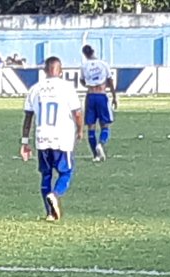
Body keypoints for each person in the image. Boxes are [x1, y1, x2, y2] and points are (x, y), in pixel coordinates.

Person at [21, 56, 83, 222]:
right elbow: (77, 112)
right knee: (66, 172)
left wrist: (24, 142)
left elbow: (28, 117)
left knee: (46, 175)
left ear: (44, 71)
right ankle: (55, 195)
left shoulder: (35, 89)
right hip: (62, 138)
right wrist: (80, 130)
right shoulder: (67, 88)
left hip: (42, 138)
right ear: (60, 71)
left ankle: (50, 213)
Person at [80, 44, 116, 161]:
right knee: (104, 125)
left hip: (90, 96)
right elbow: (110, 80)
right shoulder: (103, 64)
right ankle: (100, 144)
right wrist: (114, 96)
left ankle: (95, 155)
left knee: (91, 126)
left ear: (84, 54)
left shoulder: (84, 66)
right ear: (93, 51)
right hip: (101, 95)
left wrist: (88, 85)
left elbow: (82, 81)